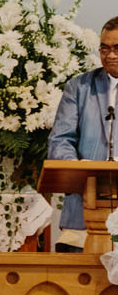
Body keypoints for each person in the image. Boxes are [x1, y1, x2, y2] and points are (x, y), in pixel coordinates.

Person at [47, 17, 118, 251]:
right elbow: (60, 140)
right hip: (83, 216)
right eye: (104, 48)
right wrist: (79, 167)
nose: (110, 55)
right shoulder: (79, 87)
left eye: (117, 48)